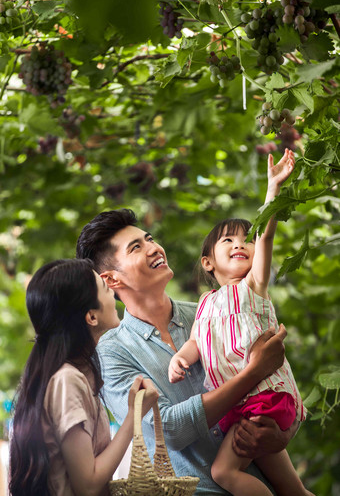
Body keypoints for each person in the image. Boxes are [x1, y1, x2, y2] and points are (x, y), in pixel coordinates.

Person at [75, 211, 297, 496]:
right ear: (112, 279)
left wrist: (281, 435)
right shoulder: (111, 354)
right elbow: (168, 429)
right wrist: (254, 371)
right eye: (136, 247)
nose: (154, 248)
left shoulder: (217, 314)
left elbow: (279, 389)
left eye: (150, 239)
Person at [168, 149, 313, 496]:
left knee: (224, 472)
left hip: (263, 396)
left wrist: (273, 189)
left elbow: (266, 236)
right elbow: (196, 343)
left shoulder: (252, 287)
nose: (240, 244)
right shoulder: (204, 304)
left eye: (245, 239)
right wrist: (181, 358)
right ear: (207, 262)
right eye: (228, 240)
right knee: (291, 486)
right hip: (241, 403)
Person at [9, 258, 158, 496]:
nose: (114, 295)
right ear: (91, 317)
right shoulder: (67, 381)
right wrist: (134, 416)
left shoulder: (66, 376)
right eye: (107, 290)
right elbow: (87, 485)